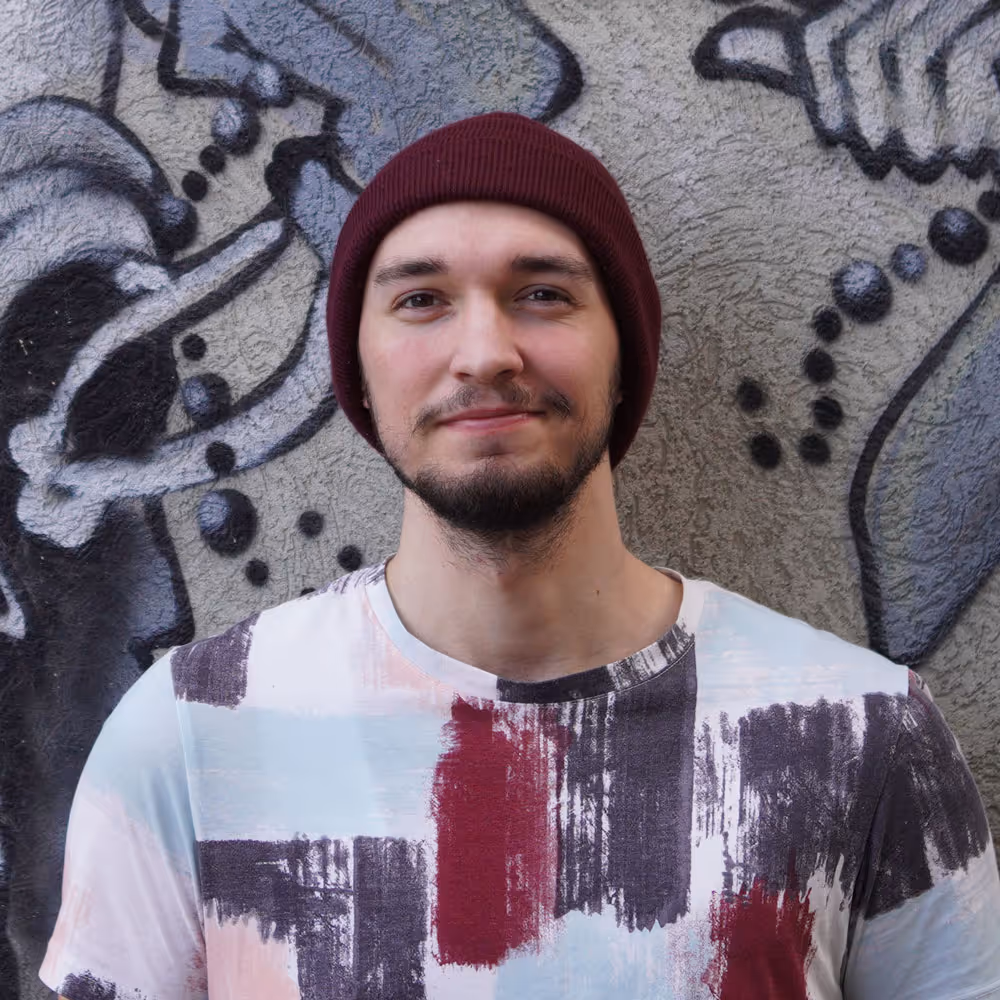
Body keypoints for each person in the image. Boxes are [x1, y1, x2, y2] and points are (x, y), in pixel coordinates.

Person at [41, 112, 1000, 1000]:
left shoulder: (865, 735)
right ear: (358, 370)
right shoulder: (190, 737)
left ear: (624, 355)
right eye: (421, 300)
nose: (485, 352)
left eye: (543, 294)